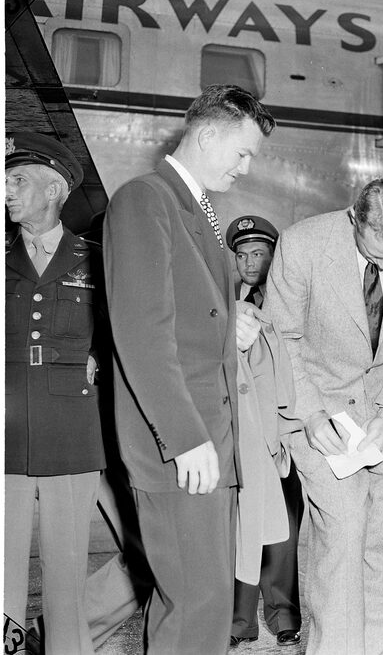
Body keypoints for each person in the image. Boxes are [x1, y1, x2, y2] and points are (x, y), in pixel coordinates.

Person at [103, 84, 274, 653]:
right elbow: (143, 334)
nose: (246, 169)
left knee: (204, 602)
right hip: (184, 445)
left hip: (211, 443)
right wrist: (184, 437)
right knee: (195, 606)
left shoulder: (194, 209)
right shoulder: (144, 200)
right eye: (242, 153)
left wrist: (233, 329)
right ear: (206, 136)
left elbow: (189, 322)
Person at [264, 177, 383, 654]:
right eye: (377, 254)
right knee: (344, 532)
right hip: (319, 405)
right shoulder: (302, 244)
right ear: (355, 216)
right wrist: (308, 415)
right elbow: (279, 337)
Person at [4, 132, 106, 653]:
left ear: (55, 190)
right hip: (8, 426)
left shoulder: (98, 259)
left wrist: (102, 359)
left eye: (18, 179)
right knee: (2, 570)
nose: (7, 190)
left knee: (66, 571)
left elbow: (126, 331)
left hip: (73, 427)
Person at [226, 216, 304, 648]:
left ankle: (283, 613)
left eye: (258, 254)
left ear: (274, 256)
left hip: (281, 435)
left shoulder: (286, 300)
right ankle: (240, 621)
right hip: (243, 435)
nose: (249, 263)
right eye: (241, 255)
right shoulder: (226, 300)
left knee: (284, 532)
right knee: (242, 528)